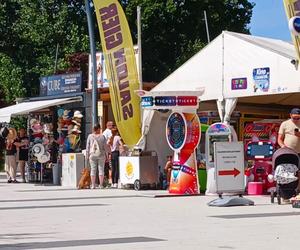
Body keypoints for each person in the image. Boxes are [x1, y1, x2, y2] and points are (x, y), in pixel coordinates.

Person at [278, 107, 300, 194]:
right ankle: (288, 190)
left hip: (299, 152)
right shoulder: (285, 124)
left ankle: (298, 189)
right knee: (289, 170)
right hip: (288, 152)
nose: (296, 120)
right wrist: (283, 146)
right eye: (294, 118)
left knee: (299, 171)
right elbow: (279, 139)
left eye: (298, 118)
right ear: (290, 115)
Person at [86, 124, 110, 189]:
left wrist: (87, 156)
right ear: (99, 129)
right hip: (101, 155)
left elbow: (87, 147)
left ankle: (93, 185)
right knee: (101, 169)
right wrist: (107, 156)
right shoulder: (102, 137)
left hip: (92, 155)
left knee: (93, 170)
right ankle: (101, 185)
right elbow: (105, 147)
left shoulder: (90, 136)